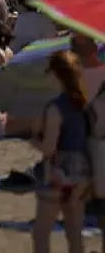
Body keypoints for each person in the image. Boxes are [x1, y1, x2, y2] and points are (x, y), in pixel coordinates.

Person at [33, 50, 93, 253]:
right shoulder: (85, 103)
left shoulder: (55, 108)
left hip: (58, 171)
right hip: (83, 171)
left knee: (41, 233)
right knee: (74, 233)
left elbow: (49, 149)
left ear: (56, 75)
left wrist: (33, 140)